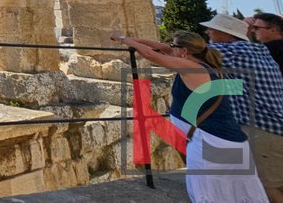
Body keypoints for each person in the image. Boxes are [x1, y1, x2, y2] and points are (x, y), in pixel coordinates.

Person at [110, 29, 267, 203]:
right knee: (238, 194)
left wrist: (123, 39)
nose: (169, 49)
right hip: (229, 140)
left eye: (174, 46)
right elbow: (162, 48)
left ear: (184, 51)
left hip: (211, 144)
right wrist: (132, 39)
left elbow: (151, 55)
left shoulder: (192, 68)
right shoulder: (208, 65)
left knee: (211, 195)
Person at [202, 14, 283, 203]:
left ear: (273, 30)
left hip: (264, 128)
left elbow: (191, 52)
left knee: (268, 187)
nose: (253, 31)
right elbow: (244, 86)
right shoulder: (260, 53)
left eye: (257, 28)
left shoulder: (260, 50)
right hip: (274, 122)